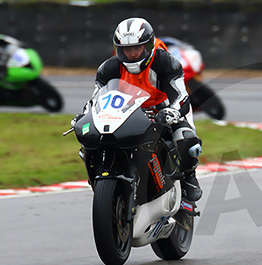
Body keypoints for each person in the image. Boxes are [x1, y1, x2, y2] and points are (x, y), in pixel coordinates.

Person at [72, 17, 203, 201]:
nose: (131, 54)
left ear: (148, 46)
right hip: (127, 111)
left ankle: (189, 177)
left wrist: (171, 112)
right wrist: (85, 115)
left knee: (187, 140)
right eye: (126, 50)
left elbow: (181, 95)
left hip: (164, 109)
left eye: (136, 48)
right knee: (96, 139)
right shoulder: (108, 69)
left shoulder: (166, 62)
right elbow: (96, 99)